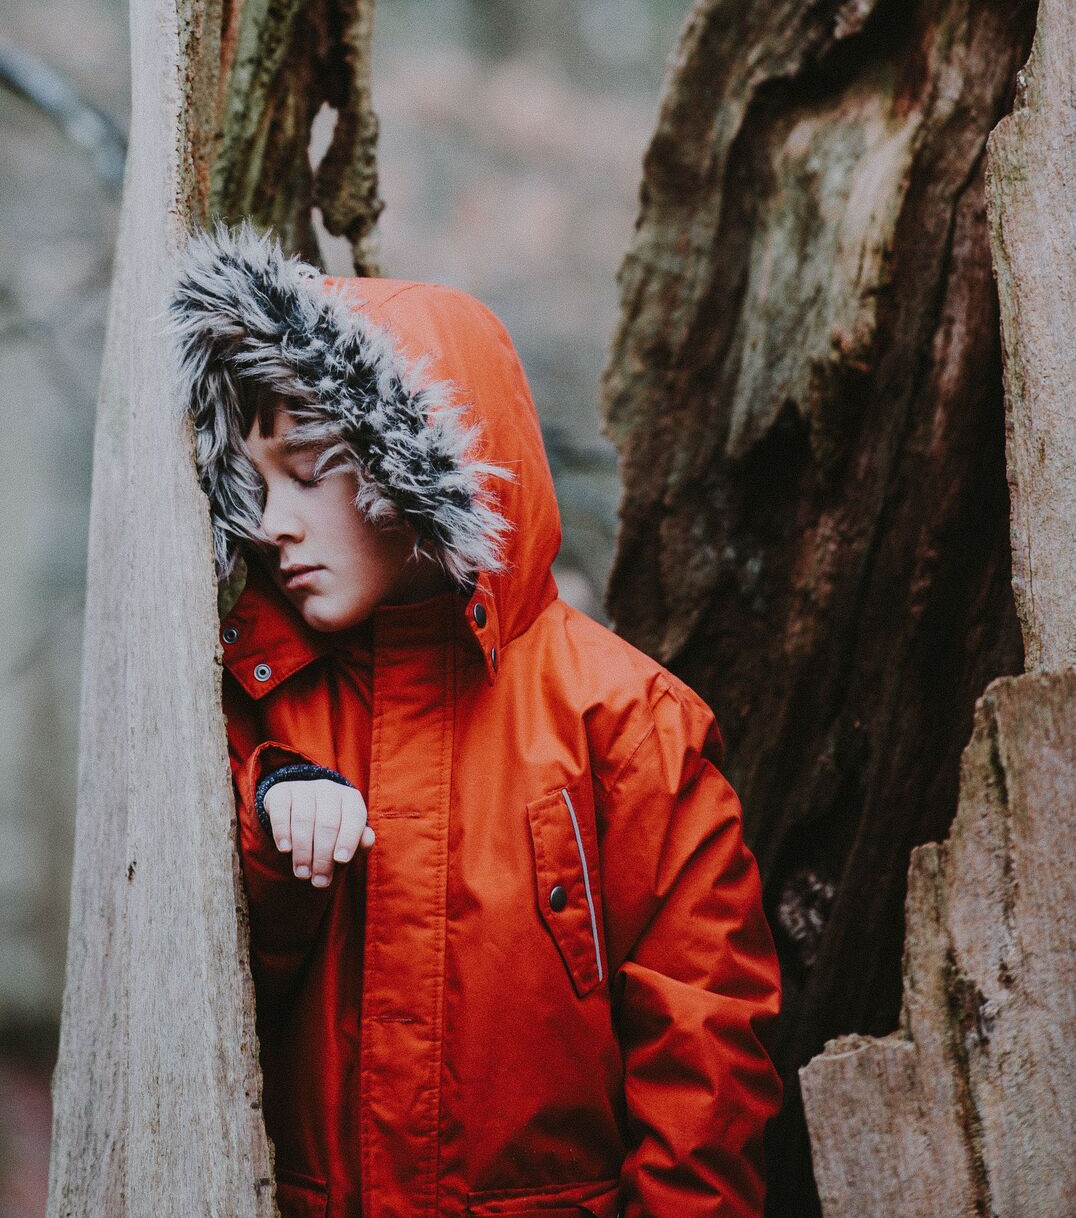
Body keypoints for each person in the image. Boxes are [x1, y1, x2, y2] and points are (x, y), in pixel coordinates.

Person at [168, 221, 782, 1218]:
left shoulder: (627, 725)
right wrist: (273, 823)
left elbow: (704, 1048)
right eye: (256, 482)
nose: (272, 523)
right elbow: (193, 990)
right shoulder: (256, 701)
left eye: (310, 471)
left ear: (417, 464)